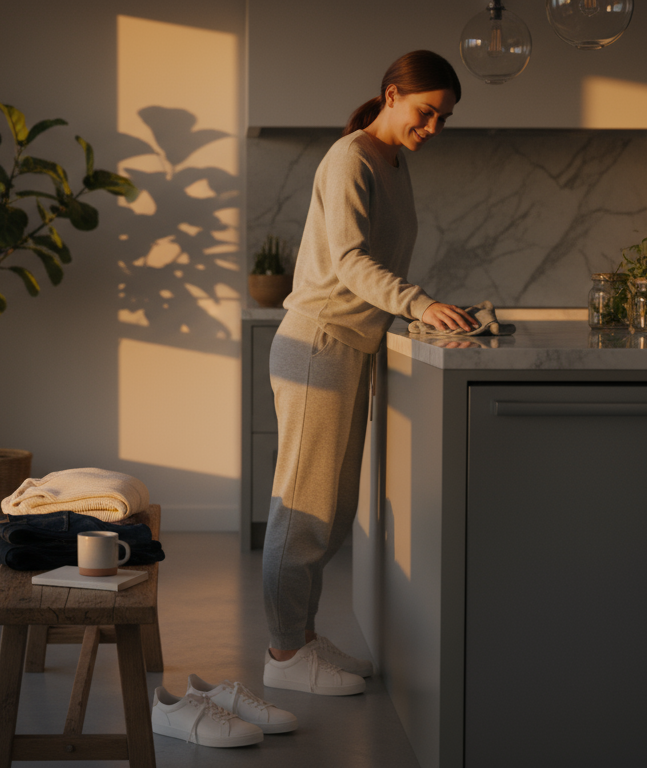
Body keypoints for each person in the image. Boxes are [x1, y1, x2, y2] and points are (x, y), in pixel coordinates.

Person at [261, 50, 475, 697]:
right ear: (391, 95)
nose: (433, 127)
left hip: (348, 347)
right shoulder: (351, 158)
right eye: (426, 111)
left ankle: (300, 638)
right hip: (317, 346)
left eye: (443, 118)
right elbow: (351, 261)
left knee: (332, 509)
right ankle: (283, 655)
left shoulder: (393, 161)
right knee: (302, 513)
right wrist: (418, 302)